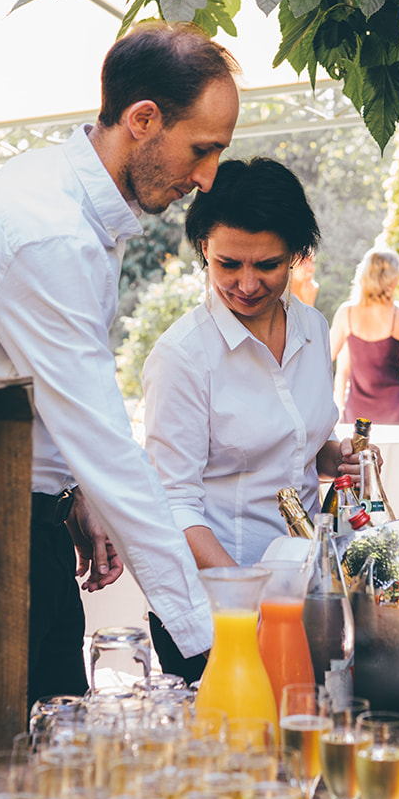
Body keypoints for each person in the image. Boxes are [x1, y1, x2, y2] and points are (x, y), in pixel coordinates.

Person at [0, 22, 239, 704]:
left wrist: (74, 496)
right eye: (201, 151)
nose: (207, 179)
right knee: (15, 767)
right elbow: (104, 440)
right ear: (143, 119)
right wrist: (209, 639)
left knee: (51, 734)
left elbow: (47, 389)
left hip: (21, 516)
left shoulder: (67, 195)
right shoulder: (49, 232)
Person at [143, 158, 367, 677]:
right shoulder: (183, 356)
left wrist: (338, 458)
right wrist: (246, 597)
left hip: (304, 595)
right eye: (228, 264)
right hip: (218, 612)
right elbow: (173, 503)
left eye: (266, 265)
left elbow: (298, 440)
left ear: (295, 256)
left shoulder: (312, 330)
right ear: (204, 249)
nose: (246, 284)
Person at [329, 245, 399, 424]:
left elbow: (324, 356)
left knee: (359, 454)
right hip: (397, 410)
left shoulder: (346, 313)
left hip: (358, 416)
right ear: (393, 279)